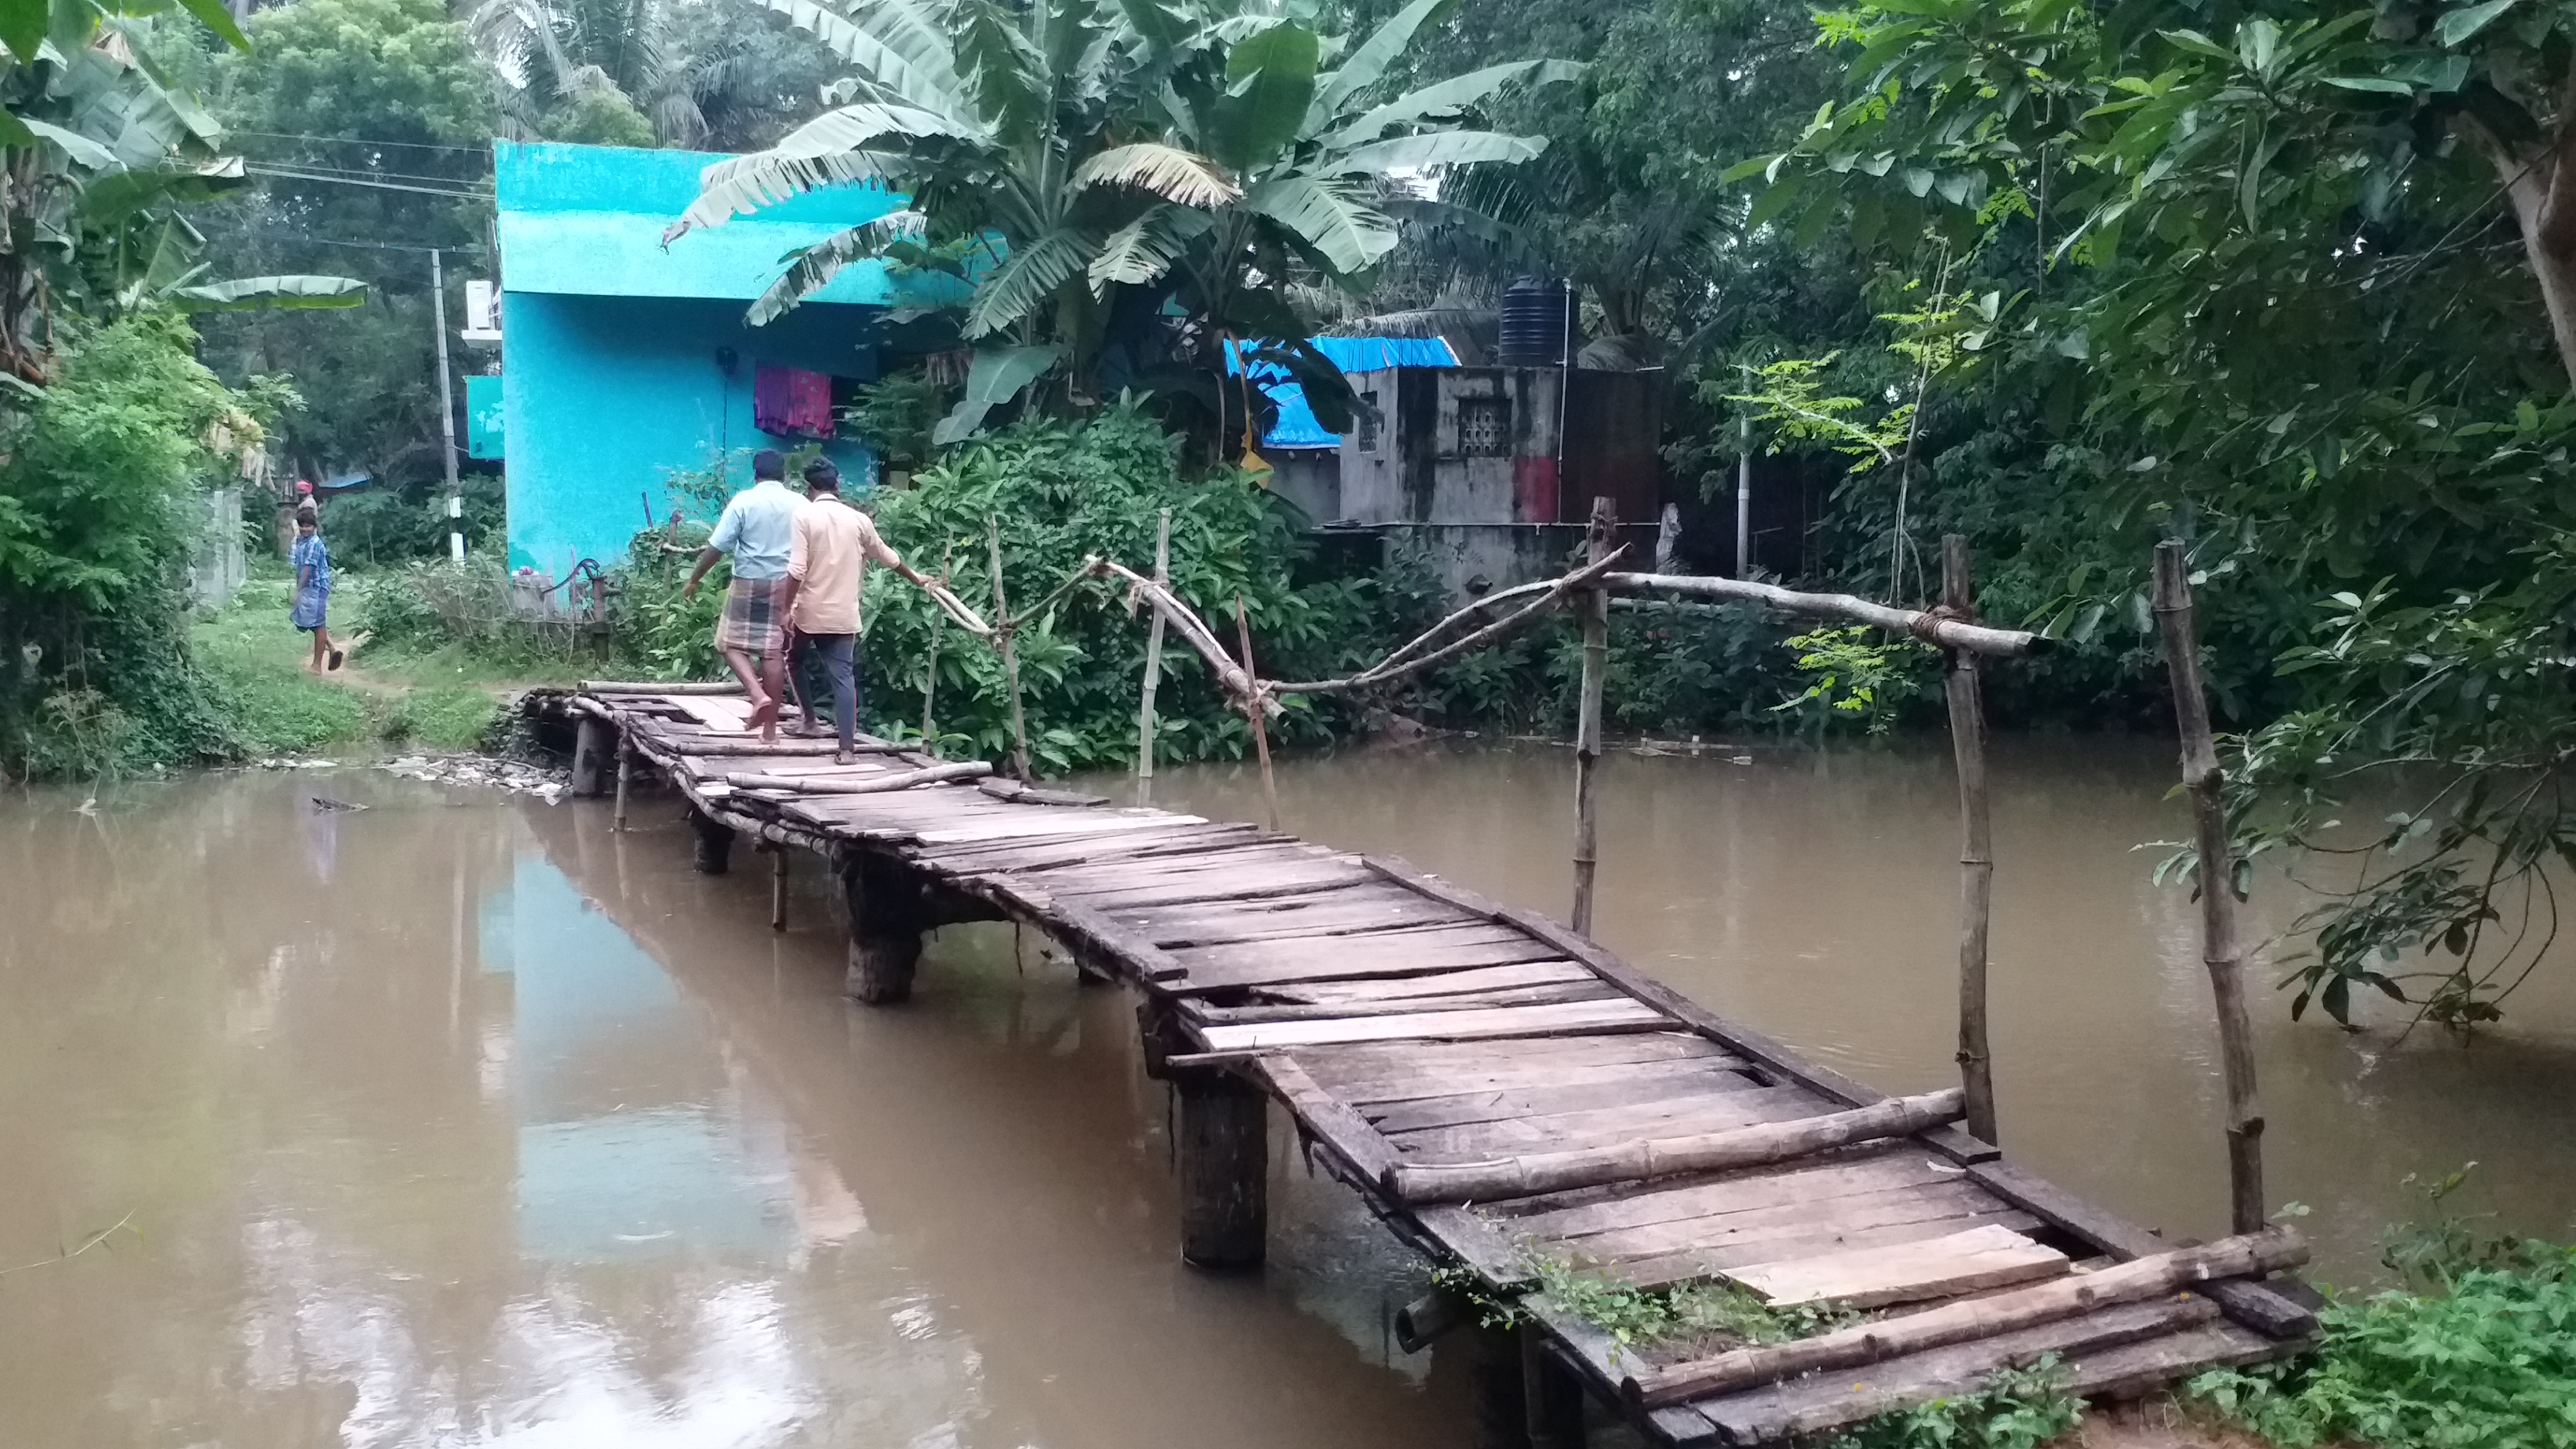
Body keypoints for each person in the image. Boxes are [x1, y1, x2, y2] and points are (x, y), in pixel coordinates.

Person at [773, 458, 932, 763]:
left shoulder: (804, 517)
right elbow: (888, 557)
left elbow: (796, 570)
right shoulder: (859, 520)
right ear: (838, 484)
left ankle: (809, 721)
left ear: (809, 488)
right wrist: (917, 578)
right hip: (844, 615)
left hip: (809, 613)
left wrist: (784, 610)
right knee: (843, 677)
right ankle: (847, 749)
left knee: (794, 660)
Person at [681, 449, 805, 732]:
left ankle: (756, 694)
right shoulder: (801, 504)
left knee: (727, 643)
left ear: (755, 473)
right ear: (783, 474)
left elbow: (718, 546)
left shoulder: (745, 502)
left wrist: (695, 578)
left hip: (749, 580)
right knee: (773, 653)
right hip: (787, 583)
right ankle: (771, 733)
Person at [290, 509, 341, 672]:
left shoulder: (314, 543)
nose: (305, 529)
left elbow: (308, 569)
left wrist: (299, 590)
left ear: (314, 527)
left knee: (318, 624)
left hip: (316, 588)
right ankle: (332, 648)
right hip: (308, 588)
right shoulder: (301, 541)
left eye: (308, 526)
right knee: (308, 621)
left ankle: (317, 666)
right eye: (302, 526)